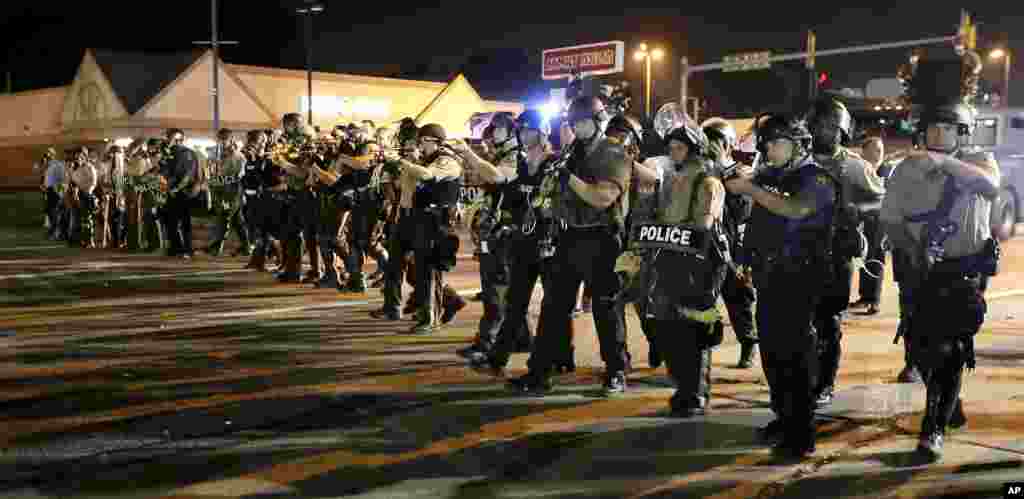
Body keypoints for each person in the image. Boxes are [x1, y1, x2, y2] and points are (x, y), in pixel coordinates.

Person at [882, 49, 998, 461]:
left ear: (962, 131)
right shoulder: (906, 169)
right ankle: (951, 401)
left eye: (947, 128)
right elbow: (890, 218)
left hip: (962, 274)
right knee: (921, 350)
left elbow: (988, 188)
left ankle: (932, 429)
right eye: (932, 128)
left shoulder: (980, 161)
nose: (938, 135)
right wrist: (912, 248)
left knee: (950, 349)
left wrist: (943, 164)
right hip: (919, 272)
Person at [508, 95, 631, 397]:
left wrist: (567, 177)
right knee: (553, 307)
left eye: (584, 121)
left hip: (602, 237)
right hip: (568, 236)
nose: (579, 127)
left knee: (606, 307)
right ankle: (540, 372)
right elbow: (553, 195)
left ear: (599, 121)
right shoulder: (570, 152)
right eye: (575, 122)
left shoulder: (614, 153)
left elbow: (602, 198)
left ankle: (616, 371)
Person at [727, 113, 835, 459]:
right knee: (773, 353)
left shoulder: (815, 178)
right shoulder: (772, 175)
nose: (769, 149)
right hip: (770, 276)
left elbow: (795, 209)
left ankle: (801, 433)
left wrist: (751, 189)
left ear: (799, 143)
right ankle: (784, 417)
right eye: (767, 144)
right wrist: (745, 259)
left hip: (800, 278)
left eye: (776, 143)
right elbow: (759, 222)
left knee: (796, 356)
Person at [622, 112, 727, 416]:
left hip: (699, 263)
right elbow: (654, 218)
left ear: (694, 149)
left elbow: (704, 226)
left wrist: (668, 233)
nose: (673, 152)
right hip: (668, 259)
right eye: (671, 147)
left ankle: (695, 394)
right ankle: (683, 385)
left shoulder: (708, 183)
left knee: (695, 328)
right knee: (667, 323)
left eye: (679, 147)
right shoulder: (672, 178)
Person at [805, 97, 885, 407]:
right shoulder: (798, 160)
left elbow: (884, 199)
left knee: (828, 324)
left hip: (835, 256)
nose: (823, 132)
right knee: (799, 326)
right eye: (818, 125)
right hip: (796, 254)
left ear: (842, 131)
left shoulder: (853, 166)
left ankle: (824, 383)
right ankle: (802, 382)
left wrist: (857, 209)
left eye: (830, 127)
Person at [381, 123, 463, 334]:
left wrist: (402, 161)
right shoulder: (419, 161)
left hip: (434, 221)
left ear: (434, 141)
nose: (418, 144)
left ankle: (431, 317)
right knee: (396, 264)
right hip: (410, 217)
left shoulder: (447, 161)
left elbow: (427, 176)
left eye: (422, 140)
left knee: (427, 270)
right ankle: (392, 307)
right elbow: (406, 190)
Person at [703, 117, 759, 368]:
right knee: (703, 299)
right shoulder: (698, 170)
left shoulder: (739, 171)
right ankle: (706, 346)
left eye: (716, 141)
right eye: (707, 141)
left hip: (731, 246)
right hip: (703, 245)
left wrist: (723, 173)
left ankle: (748, 343)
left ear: (727, 144)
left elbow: (743, 208)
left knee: (738, 299)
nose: (711, 146)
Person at [850, 136, 888, 316]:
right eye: (876, 149)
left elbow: (886, 198)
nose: (880, 153)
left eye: (881, 150)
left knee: (876, 258)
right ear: (864, 152)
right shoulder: (860, 170)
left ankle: (874, 300)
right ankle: (865, 296)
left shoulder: (885, 171)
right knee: (864, 258)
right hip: (862, 220)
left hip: (880, 221)